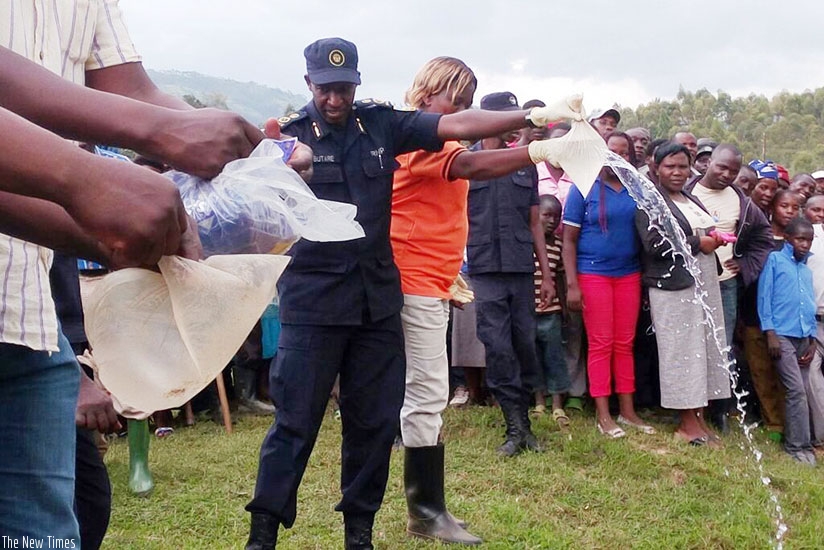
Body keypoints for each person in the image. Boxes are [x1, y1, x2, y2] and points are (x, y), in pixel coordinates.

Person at [245, 38, 567, 550]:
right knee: (295, 422)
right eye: (325, 89)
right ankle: (262, 534)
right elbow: (254, 210)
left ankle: (360, 534)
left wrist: (534, 117)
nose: (335, 99)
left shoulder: (381, 125)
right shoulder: (288, 137)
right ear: (308, 83)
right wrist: (273, 165)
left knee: (372, 426)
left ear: (358, 83)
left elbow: (456, 128)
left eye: (345, 87)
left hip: (376, 301)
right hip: (314, 301)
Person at [0, 3, 286, 543]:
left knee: (50, 531)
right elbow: (140, 120)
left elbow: (130, 90)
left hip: (27, 317)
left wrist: (241, 161)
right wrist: (88, 174)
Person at [391, 58, 566, 544]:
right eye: (459, 101)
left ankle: (425, 508)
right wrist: (537, 139)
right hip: (414, 278)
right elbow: (470, 166)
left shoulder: (430, 137)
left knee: (423, 389)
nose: (464, 113)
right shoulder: (418, 137)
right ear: (429, 92)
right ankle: (426, 511)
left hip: (430, 277)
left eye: (469, 104)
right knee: (426, 392)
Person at [465, 91, 554, 458]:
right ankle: (515, 425)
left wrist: (546, 275)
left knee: (525, 345)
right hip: (484, 268)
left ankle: (525, 423)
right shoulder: (465, 161)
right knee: (498, 346)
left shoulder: (523, 163)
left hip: (519, 268)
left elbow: (535, 223)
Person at [636, 142, 730, 445]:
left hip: (704, 280)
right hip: (674, 286)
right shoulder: (649, 201)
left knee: (704, 347)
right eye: (670, 166)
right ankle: (686, 424)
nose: (677, 172)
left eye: (682, 167)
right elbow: (655, 244)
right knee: (681, 351)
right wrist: (698, 243)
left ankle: (699, 419)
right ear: (656, 168)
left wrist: (713, 238)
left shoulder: (689, 197)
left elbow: (697, 231)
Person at [562, 131, 653, 438]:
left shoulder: (636, 188)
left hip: (629, 274)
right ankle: (603, 415)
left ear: (631, 157)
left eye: (623, 152)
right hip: (593, 274)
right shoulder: (582, 186)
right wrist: (572, 284)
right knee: (601, 344)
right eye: (610, 151)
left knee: (624, 343)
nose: (616, 157)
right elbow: (569, 240)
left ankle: (627, 411)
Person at [687, 144, 774, 432]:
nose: (726, 174)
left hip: (725, 284)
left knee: (721, 347)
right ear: (708, 162)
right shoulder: (687, 192)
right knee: (691, 343)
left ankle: (719, 410)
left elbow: (764, 239)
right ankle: (689, 407)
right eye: (721, 167)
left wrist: (746, 263)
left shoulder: (742, 201)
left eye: (733, 171)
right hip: (688, 283)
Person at [758, 217, 818, 465]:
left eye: (809, 240)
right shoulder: (775, 260)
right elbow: (764, 296)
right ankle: (795, 447)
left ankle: (805, 444)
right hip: (781, 334)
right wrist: (770, 331)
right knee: (795, 390)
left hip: (804, 336)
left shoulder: (806, 269)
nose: (804, 244)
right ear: (787, 238)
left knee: (804, 390)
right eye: (800, 239)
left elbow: (808, 304)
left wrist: (812, 337)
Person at [532, 195, 570, 425]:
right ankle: (539, 401)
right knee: (534, 358)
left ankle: (557, 404)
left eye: (556, 217)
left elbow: (561, 279)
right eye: (547, 215)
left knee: (554, 357)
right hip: (529, 313)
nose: (552, 221)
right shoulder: (526, 243)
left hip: (552, 313)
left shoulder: (558, 245)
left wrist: (564, 309)